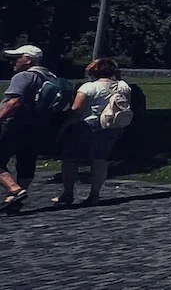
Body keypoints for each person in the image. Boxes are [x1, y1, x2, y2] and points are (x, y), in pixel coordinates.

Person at [58, 58, 131, 207]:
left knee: (70, 158)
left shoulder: (88, 87)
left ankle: (68, 193)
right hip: (112, 125)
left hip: (87, 123)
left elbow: (76, 109)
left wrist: (65, 125)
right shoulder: (123, 87)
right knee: (100, 159)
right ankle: (94, 194)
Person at [0, 46, 59, 209]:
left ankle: (14, 190)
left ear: (28, 60)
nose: (13, 61)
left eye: (17, 57)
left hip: (13, 125)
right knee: (26, 162)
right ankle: (17, 199)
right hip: (36, 127)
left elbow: (13, 103)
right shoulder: (51, 77)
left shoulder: (24, 76)